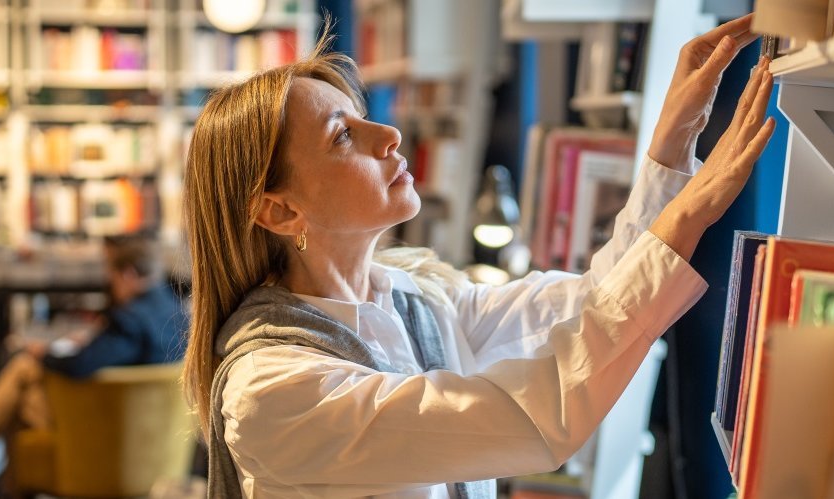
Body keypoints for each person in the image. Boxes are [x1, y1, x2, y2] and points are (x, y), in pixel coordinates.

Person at [184, 15, 773, 498]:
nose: (387, 134)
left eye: (364, 115)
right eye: (343, 135)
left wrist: (672, 141)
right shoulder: (272, 392)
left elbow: (591, 303)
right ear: (281, 213)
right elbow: (531, 416)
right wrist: (684, 220)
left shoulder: (419, 300)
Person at [0, 236, 190, 469]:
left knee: (22, 377)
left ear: (128, 274)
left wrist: (43, 354)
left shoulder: (129, 320)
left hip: (110, 425)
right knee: (21, 390)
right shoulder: (174, 309)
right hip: (158, 430)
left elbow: (79, 366)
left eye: (111, 278)